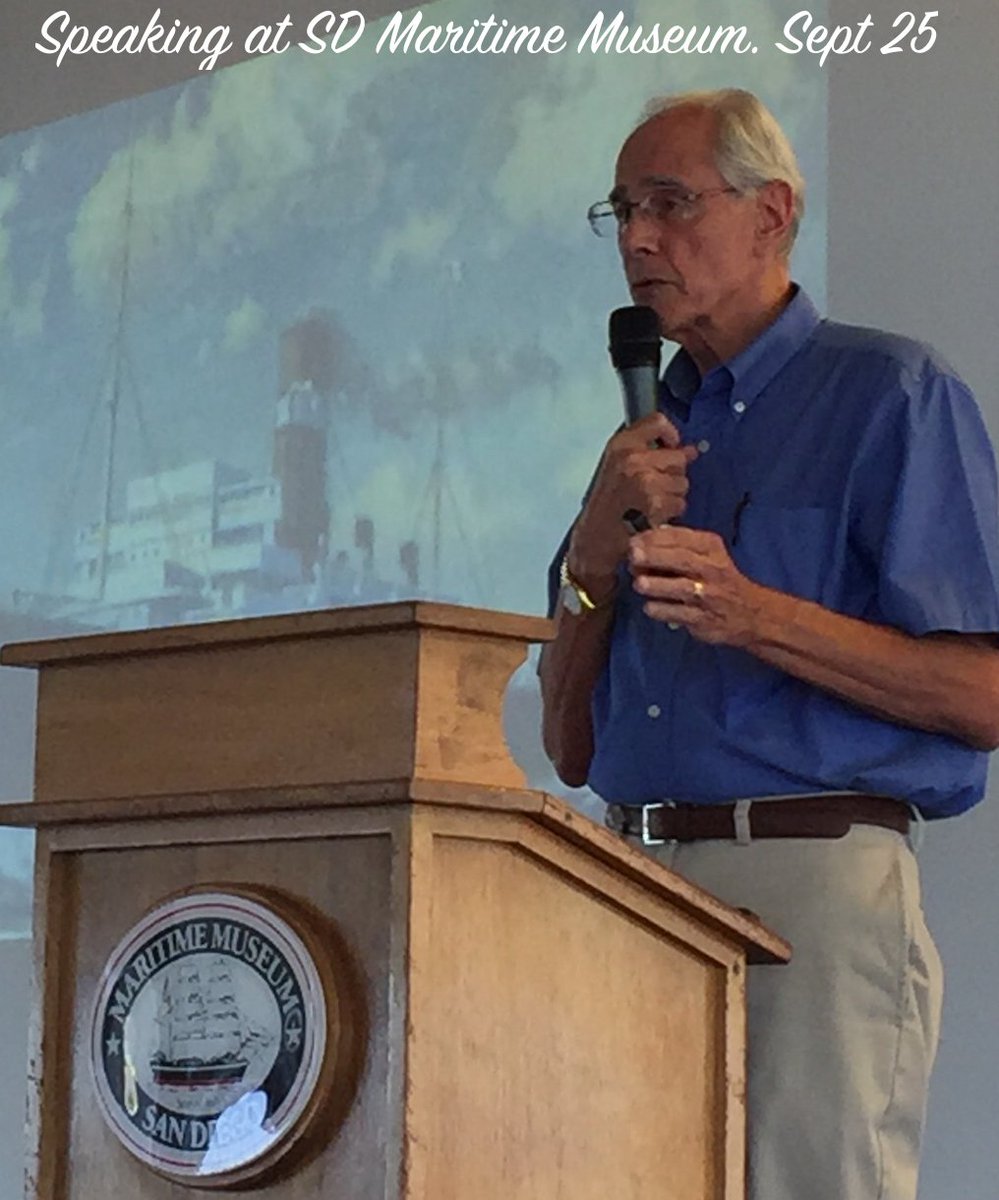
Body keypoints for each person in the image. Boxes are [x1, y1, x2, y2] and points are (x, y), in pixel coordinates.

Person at [538, 88, 999, 1200]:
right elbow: (565, 745)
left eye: (669, 202)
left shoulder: (890, 393)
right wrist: (592, 567)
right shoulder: (641, 444)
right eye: (622, 211)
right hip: (629, 873)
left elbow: (983, 697)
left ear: (773, 213)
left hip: (809, 878)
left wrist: (755, 615)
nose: (640, 238)